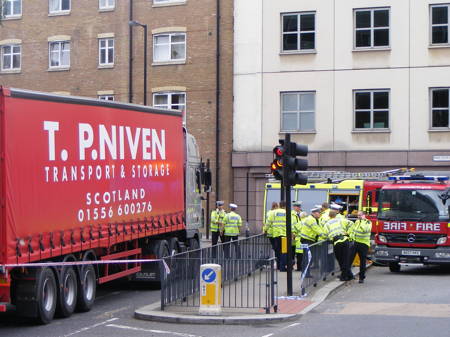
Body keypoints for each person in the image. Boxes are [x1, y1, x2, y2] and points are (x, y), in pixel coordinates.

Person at [323, 204, 353, 281]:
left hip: (337, 242)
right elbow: (351, 223)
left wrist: (329, 238)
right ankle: (348, 275)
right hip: (345, 240)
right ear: (335, 215)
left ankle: (344, 276)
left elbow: (325, 235)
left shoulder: (327, 224)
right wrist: (348, 233)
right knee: (345, 259)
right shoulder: (340, 220)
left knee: (341, 260)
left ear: (329, 216)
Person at [348, 211, 372, 283]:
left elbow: (365, 230)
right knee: (349, 259)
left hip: (364, 244)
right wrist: (350, 236)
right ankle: (348, 275)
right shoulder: (357, 221)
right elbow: (353, 230)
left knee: (362, 261)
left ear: (364, 215)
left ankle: (361, 277)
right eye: (358, 215)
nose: (358, 216)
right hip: (355, 243)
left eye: (360, 215)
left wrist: (363, 221)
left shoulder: (368, 222)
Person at [267, 201, 287, 271]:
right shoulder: (286, 212)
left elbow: (268, 222)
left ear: (279, 205)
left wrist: (265, 229)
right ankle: (282, 267)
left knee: (277, 250)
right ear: (285, 206)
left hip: (276, 235)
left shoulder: (273, 212)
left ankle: (278, 266)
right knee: (284, 251)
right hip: (284, 235)